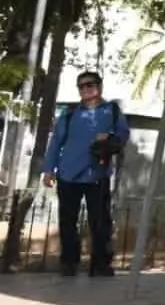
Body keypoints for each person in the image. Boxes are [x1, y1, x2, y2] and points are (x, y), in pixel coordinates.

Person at [41, 71, 130, 277]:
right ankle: (69, 263)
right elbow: (56, 142)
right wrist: (48, 170)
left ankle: (100, 264)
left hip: (97, 175)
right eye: (81, 86)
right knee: (67, 221)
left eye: (89, 85)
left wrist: (110, 136)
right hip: (68, 174)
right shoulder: (70, 114)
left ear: (99, 86)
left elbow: (123, 135)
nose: (85, 89)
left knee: (100, 222)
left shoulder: (112, 111)